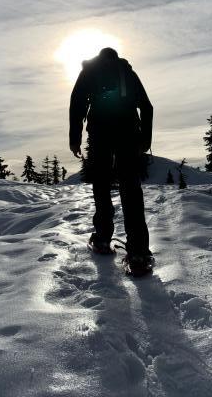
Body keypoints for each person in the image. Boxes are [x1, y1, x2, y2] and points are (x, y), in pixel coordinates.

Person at [69, 47, 153, 271]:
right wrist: (145, 139)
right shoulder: (127, 72)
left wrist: (74, 138)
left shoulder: (89, 72)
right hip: (128, 133)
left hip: (100, 133)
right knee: (131, 188)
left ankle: (103, 239)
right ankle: (138, 254)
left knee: (102, 184)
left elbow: (77, 102)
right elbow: (146, 106)